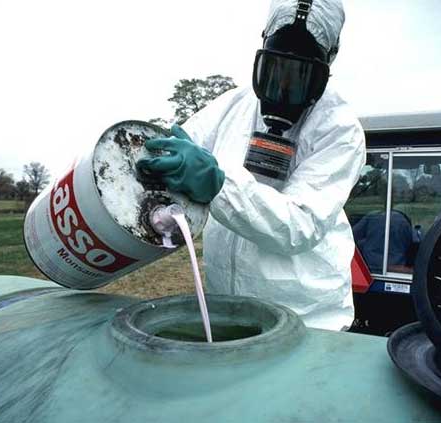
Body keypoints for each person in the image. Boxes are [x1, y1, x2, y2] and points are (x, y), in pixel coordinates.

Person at [137, 0, 365, 331]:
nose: (284, 87)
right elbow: (183, 144)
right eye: (275, 70)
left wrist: (217, 185)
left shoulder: (339, 129)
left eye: (300, 76)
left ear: (326, 67)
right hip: (227, 308)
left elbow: (298, 224)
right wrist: (159, 158)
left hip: (306, 318)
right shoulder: (235, 105)